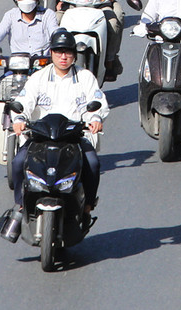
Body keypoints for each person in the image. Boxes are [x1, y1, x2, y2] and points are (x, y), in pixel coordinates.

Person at [7, 28, 107, 220]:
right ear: (51, 53)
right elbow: (24, 101)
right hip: (41, 138)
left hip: (74, 138)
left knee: (92, 164)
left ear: (74, 55)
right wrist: (19, 119)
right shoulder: (38, 78)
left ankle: (87, 204)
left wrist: (95, 118)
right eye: (58, 51)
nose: (63, 56)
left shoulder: (85, 77)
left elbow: (98, 102)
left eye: (68, 52)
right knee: (18, 163)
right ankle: (20, 205)